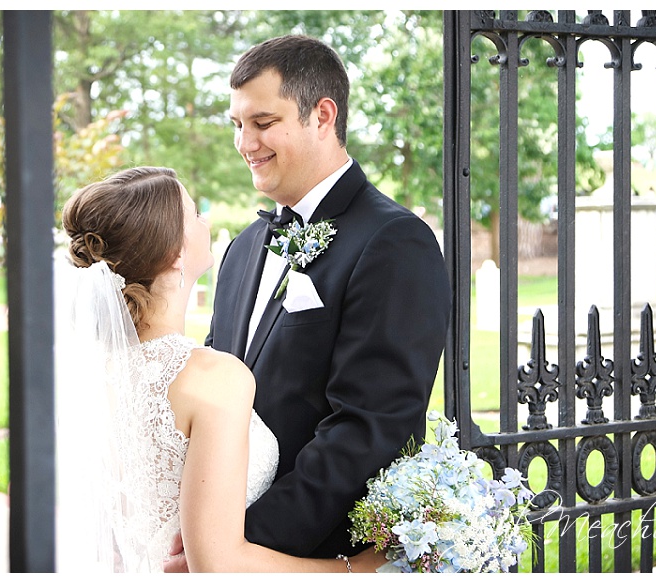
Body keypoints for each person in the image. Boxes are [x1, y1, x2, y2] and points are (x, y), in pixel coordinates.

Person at [166, 34, 452, 570]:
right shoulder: (243, 248)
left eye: (263, 122)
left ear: (322, 115)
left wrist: (234, 545)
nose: (245, 142)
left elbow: (368, 429)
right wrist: (202, 532)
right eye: (237, 124)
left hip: (315, 555)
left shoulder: (394, 243)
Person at [53, 166, 384, 572]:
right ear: (175, 255)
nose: (204, 221)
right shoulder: (213, 379)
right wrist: (361, 569)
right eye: (193, 214)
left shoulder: (90, 377)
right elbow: (219, 565)